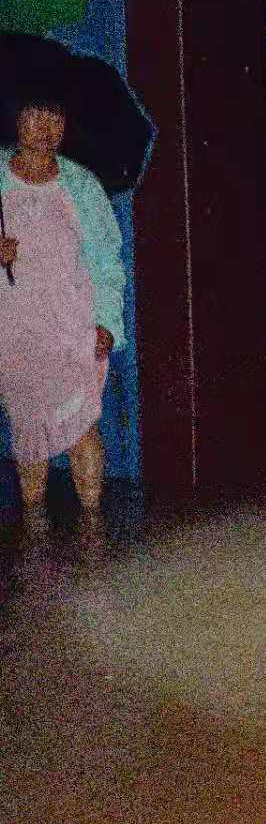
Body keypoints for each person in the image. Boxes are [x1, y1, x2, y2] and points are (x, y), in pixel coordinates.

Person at [0, 93, 125, 532]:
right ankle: (35, 537)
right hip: (14, 334)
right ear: (15, 118)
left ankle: (94, 534)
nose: (47, 126)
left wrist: (107, 321)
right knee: (29, 433)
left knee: (82, 424)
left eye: (56, 114)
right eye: (35, 113)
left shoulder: (82, 185)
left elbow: (107, 260)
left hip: (72, 327)